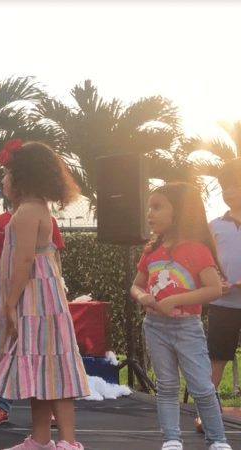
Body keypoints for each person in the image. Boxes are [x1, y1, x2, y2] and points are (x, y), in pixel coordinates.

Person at [0, 140, 89, 450]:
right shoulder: (32, 208)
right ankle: (41, 439)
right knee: (37, 370)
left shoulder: (29, 210)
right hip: (36, 300)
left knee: (52, 369)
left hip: (35, 302)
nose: (3, 180)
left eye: (7, 173)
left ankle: (67, 441)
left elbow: (24, 260)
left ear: (23, 177)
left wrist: (8, 302)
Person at [130, 182, 233, 450]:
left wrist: (175, 300)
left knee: (202, 386)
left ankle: (217, 439)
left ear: (179, 212)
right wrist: (143, 298)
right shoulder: (151, 251)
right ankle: (172, 439)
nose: (150, 214)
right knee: (166, 386)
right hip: (155, 327)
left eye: (157, 207)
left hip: (187, 328)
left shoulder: (198, 250)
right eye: (149, 208)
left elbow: (212, 290)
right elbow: (136, 285)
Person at [0, 194, 66, 426]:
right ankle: (2, 405)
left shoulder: (45, 217)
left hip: (36, 297)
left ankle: (48, 406)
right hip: (8, 295)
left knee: (42, 350)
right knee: (6, 348)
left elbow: (53, 255)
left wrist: (57, 288)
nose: (7, 179)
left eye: (10, 172)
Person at [205, 158, 241, 434]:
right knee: (216, 357)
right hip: (223, 304)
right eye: (224, 187)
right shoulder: (213, 225)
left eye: (235, 185)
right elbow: (203, 260)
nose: (229, 192)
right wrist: (215, 279)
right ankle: (207, 414)